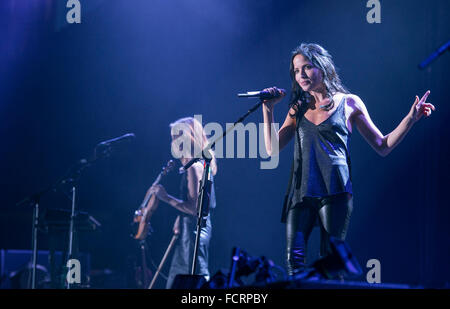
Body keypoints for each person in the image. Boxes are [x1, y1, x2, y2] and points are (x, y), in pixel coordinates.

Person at [261, 43, 435, 276]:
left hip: (335, 192)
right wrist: (268, 108)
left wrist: (410, 118)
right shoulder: (298, 107)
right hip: (301, 193)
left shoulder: (349, 102)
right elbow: (271, 149)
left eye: (307, 67)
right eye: (295, 70)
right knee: (294, 261)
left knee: (331, 262)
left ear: (323, 67)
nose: (300, 74)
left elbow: (383, 146)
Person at [148, 116, 217, 288]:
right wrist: (180, 216)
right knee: (180, 281)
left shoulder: (194, 167)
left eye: (176, 137)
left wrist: (165, 197)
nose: (173, 143)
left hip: (193, 233)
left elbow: (195, 209)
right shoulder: (198, 164)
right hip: (190, 229)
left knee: (195, 280)